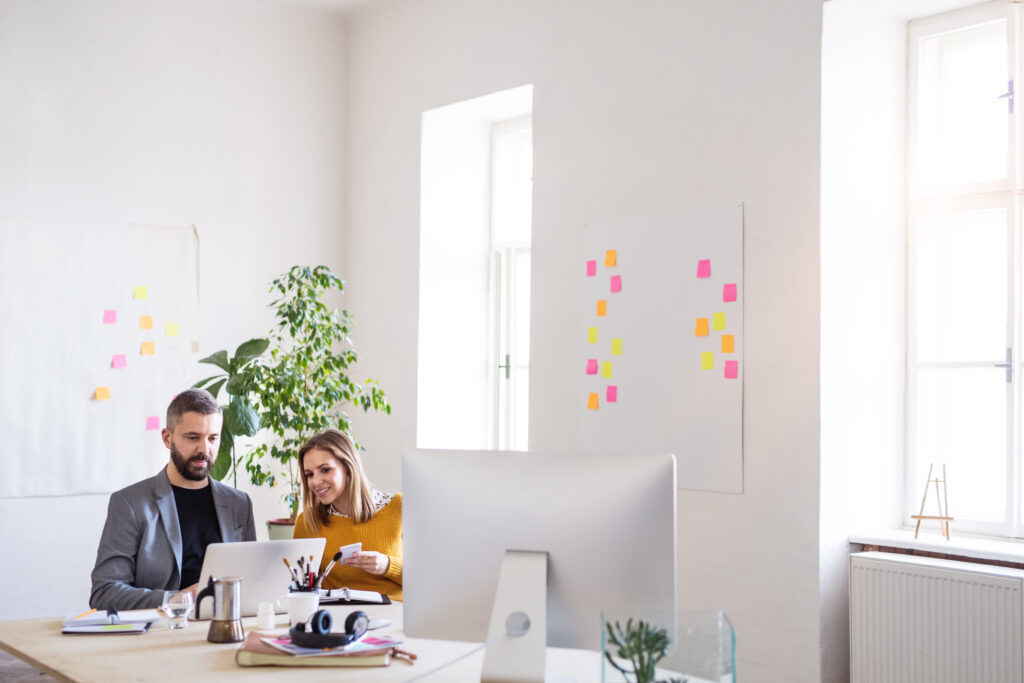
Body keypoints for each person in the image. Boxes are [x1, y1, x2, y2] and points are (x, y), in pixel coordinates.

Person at [90, 389, 256, 611]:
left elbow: (254, 581)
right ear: (167, 438)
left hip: (223, 627)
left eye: (212, 438)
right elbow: (105, 592)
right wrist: (175, 599)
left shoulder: (239, 504)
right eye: (193, 437)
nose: (204, 449)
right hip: (159, 633)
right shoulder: (130, 504)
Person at [292, 429, 402, 601]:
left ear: (348, 468)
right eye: (309, 474)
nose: (315, 482)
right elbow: (299, 588)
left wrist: (388, 565)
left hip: (394, 614)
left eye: (325, 470)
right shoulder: (307, 523)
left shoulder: (400, 508)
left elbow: (432, 577)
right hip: (336, 619)